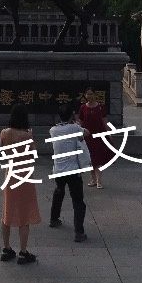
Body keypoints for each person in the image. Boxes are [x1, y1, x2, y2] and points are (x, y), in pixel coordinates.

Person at [0, 104, 41, 264]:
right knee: (24, 215)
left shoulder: (4, 133)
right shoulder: (27, 136)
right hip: (24, 176)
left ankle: (6, 248)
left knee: (7, 212)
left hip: (10, 175)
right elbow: (33, 155)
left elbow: (3, 152)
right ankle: (23, 252)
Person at [48, 104, 90, 242]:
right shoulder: (74, 128)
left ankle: (54, 219)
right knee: (78, 201)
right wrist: (76, 123)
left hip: (58, 170)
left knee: (59, 192)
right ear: (72, 115)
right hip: (73, 170)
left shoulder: (53, 130)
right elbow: (87, 133)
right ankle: (79, 232)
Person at [78, 87, 108, 189]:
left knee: (98, 158)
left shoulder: (100, 107)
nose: (89, 96)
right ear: (85, 95)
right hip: (87, 137)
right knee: (90, 159)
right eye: (87, 94)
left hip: (98, 136)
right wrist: (80, 134)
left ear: (95, 94)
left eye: (91, 94)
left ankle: (99, 180)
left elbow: (104, 121)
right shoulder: (83, 107)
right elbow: (81, 122)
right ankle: (93, 179)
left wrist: (108, 133)